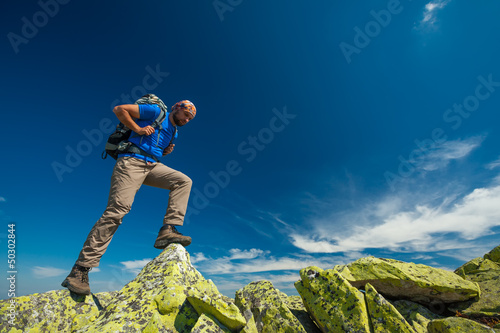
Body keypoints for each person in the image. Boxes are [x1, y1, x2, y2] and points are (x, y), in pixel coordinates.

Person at [61, 95, 196, 295]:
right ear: (176, 107)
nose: (186, 120)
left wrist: (164, 152)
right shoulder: (156, 112)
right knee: (117, 211)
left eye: (189, 119)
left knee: (183, 181)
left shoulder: (174, 132)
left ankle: (167, 229)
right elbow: (119, 109)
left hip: (153, 165)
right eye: (185, 115)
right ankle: (80, 270)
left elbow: (156, 146)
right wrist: (138, 129)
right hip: (132, 161)